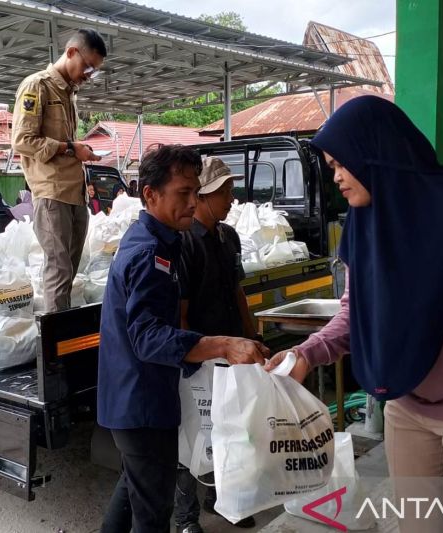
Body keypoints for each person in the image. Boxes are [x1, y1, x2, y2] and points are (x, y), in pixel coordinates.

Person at [265, 96, 443, 533]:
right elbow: (358, 313)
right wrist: (305, 354)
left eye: (340, 164)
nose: (335, 177)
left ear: (373, 155)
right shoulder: (363, 220)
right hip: (407, 406)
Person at [98, 144, 269, 533]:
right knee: (153, 514)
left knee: (134, 490)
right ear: (150, 194)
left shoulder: (161, 241)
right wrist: (224, 345)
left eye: (196, 192)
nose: (193, 202)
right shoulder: (149, 254)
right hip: (141, 402)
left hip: (135, 398)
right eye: (183, 193)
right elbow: (149, 338)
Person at [174, 157, 257, 533]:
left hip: (231, 352)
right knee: (193, 433)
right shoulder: (187, 242)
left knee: (229, 430)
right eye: (224, 192)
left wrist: (252, 332)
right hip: (201, 354)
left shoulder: (229, 237)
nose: (230, 198)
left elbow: (237, 289)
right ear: (204, 195)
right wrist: (191, 359)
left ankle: (224, 500)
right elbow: (182, 310)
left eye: (230, 191)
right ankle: (186, 515)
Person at [11, 28, 106, 312]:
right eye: (88, 66)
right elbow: (22, 140)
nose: (89, 75)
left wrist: (78, 150)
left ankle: (63, 334)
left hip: (75, 192)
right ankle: (57, 348)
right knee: (59, 268)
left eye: (94, 71)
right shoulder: (37, 86)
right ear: (71, 52)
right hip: (51, 193)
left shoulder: (70, 94)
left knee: (70, 269)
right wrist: (69, 148)